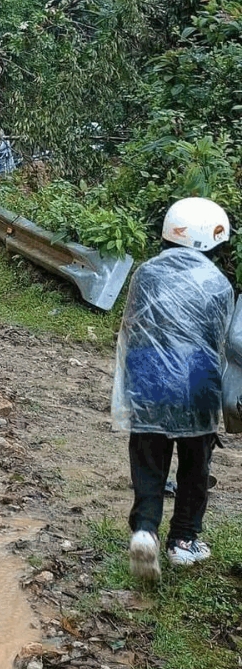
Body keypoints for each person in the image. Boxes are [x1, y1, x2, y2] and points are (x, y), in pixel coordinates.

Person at [113, 197, 236, 582]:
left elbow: (131, 329)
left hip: (147, 378)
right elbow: (221, 343)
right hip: (196, 382)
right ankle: (183, 540)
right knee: (196, 464)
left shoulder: (146, 273)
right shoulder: (218, 284)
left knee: (149, 460)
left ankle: (145, 530)